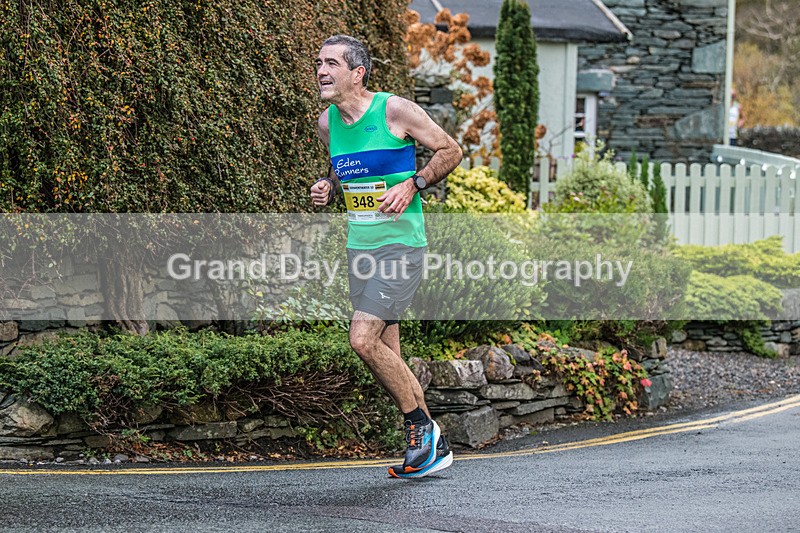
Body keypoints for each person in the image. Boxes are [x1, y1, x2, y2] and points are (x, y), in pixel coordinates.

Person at [310, 35, 462, 478]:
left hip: (401, 246)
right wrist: (329, 187)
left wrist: (413, 184)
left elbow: (451, 149)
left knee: (362, 339)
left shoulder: (394, 110)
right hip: (360, 248)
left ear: (357, 73)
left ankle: (418, 428)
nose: (321, 70)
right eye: (319, 62)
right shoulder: (327, 123)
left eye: (332, 63)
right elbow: (349, 172)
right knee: (387, 351)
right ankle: (433, 441)